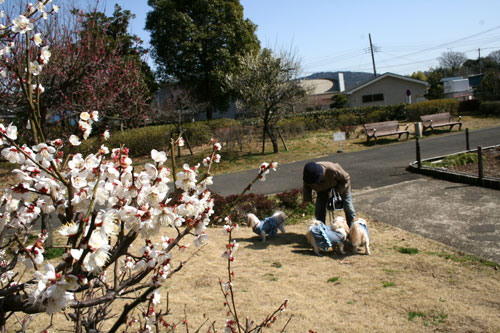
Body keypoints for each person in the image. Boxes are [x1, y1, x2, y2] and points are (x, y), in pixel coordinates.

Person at [302, 161, 357, 226]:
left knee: (349, 209)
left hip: (340, 188)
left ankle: (353, 229)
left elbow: (346, 179)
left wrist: (337, 192)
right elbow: (306, 187)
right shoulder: (308, 176)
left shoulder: (333, 169)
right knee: (319, 210)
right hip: (322, 190)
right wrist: (306, 200)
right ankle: (320, 230)